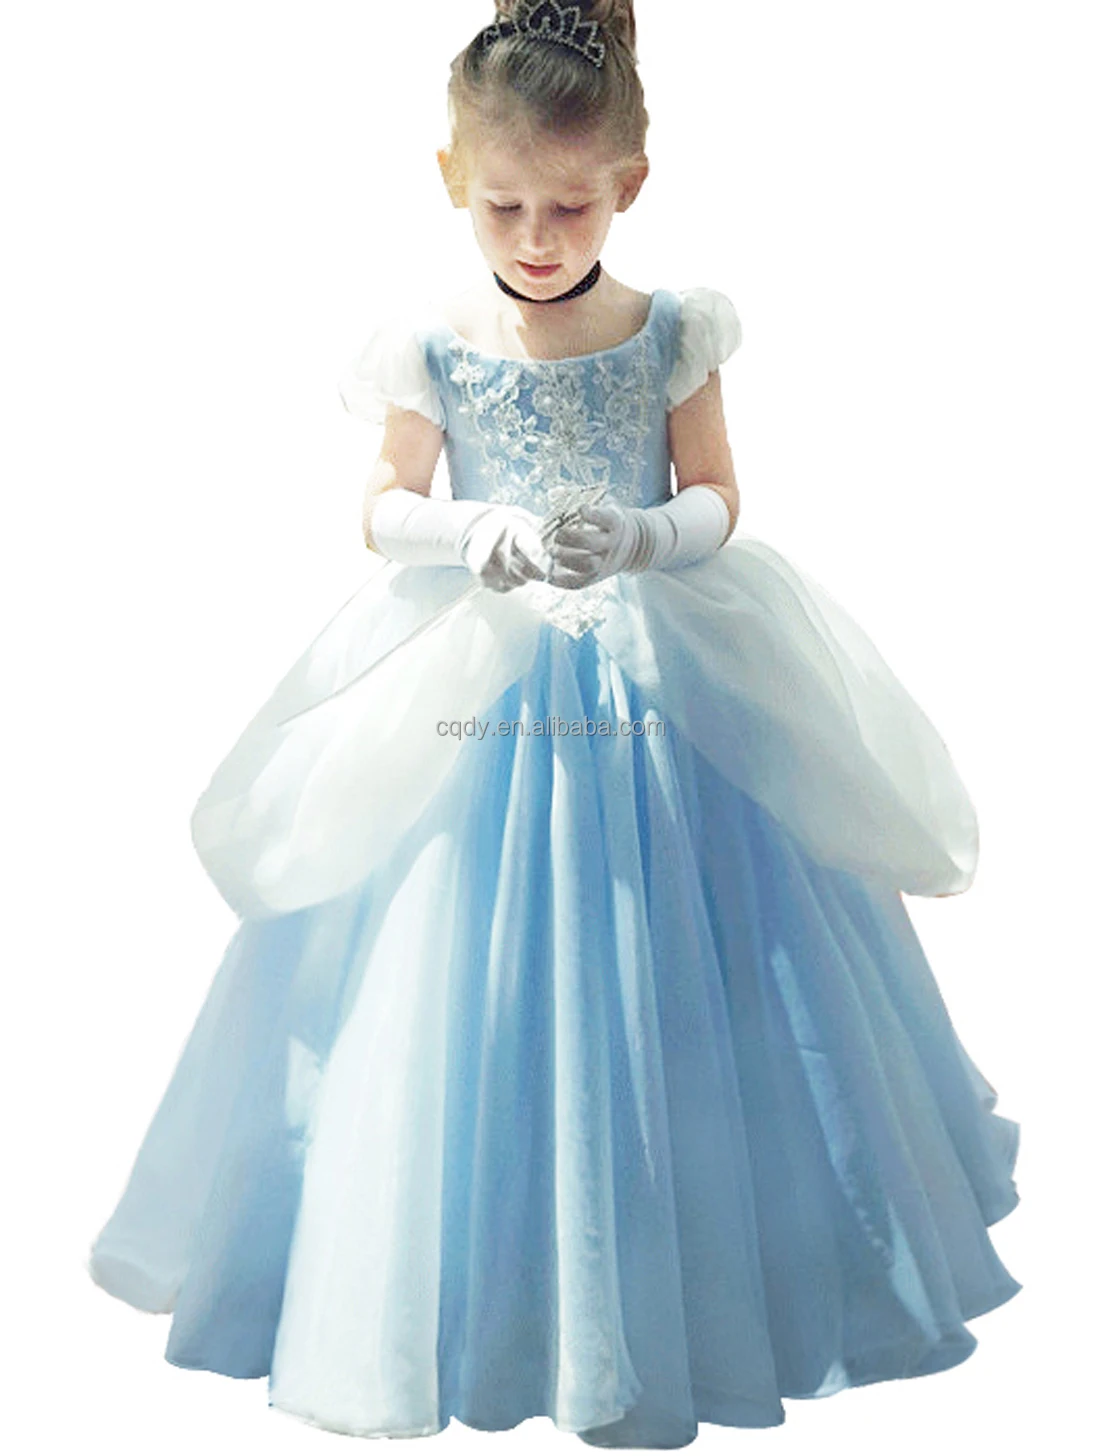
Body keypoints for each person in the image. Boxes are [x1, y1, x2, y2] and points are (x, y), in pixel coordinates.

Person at [86, 2, 1022, 1447]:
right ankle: (473, 1291)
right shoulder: (432, 342)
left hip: (665, 682)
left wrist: (648, 536)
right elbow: (380, 505)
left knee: (700, 955)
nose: (536, 236)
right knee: (446, 954)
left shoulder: (672, 329)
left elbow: (718, 495)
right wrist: (470, 532)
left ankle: (712, 1280)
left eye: (571, 206)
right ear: (451, 179)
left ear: (630, 184)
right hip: (478, 682)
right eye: (505, 205)